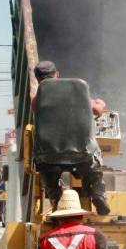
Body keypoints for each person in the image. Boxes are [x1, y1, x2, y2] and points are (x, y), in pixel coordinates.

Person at [32, 60, 111, 215]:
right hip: (81, 155)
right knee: (93, 168)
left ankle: (56, 199)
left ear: (37, 79)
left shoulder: (37, 100)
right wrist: (100, 102)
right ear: (57, 74)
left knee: (48, 177)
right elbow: (98, 109)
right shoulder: (77, 93)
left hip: (49, 158)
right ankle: (97, 194)